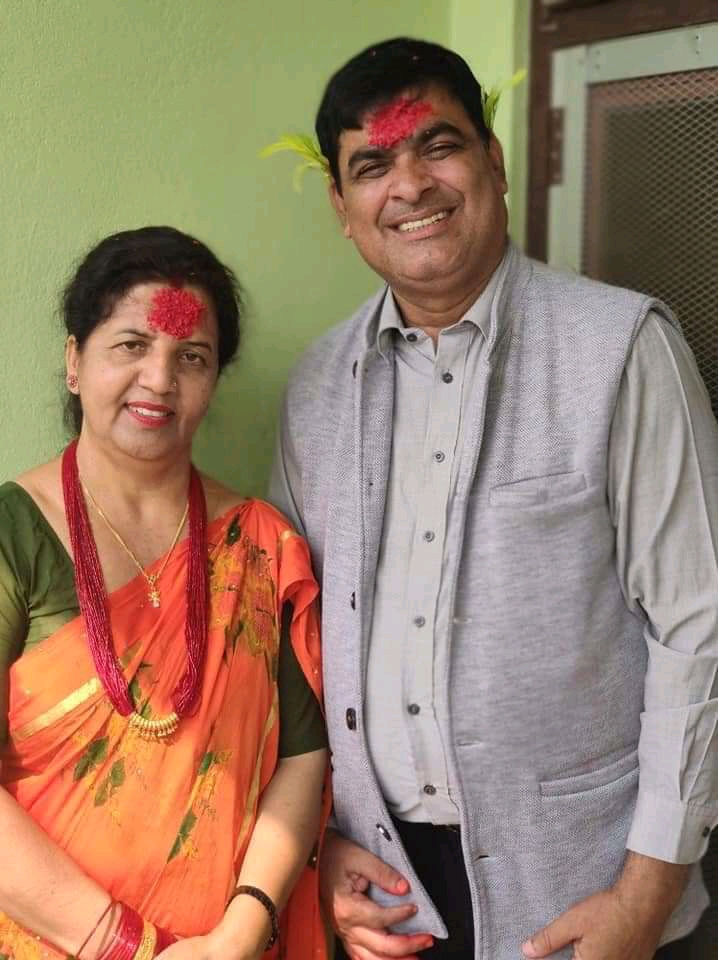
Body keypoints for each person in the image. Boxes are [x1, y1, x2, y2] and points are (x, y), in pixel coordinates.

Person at [269, 37, 718, 960]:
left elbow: (699, 629)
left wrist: (645, 895)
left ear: (495, 161)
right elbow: (292, 639)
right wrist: (320, 849)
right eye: (372, 166)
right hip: (391, 901)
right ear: (343, 209)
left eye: (438, 145)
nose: (410, 185)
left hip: (590, 895)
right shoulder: (316, 387)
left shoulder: (622, 349)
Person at [0, 226, 328, 960]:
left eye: (192, 357)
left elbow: (302, 758)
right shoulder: (11, 535)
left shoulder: (258, 543)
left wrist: (241, 931)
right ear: (74, 361)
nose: (159, 379)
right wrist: (127, 948)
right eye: (131, 345)